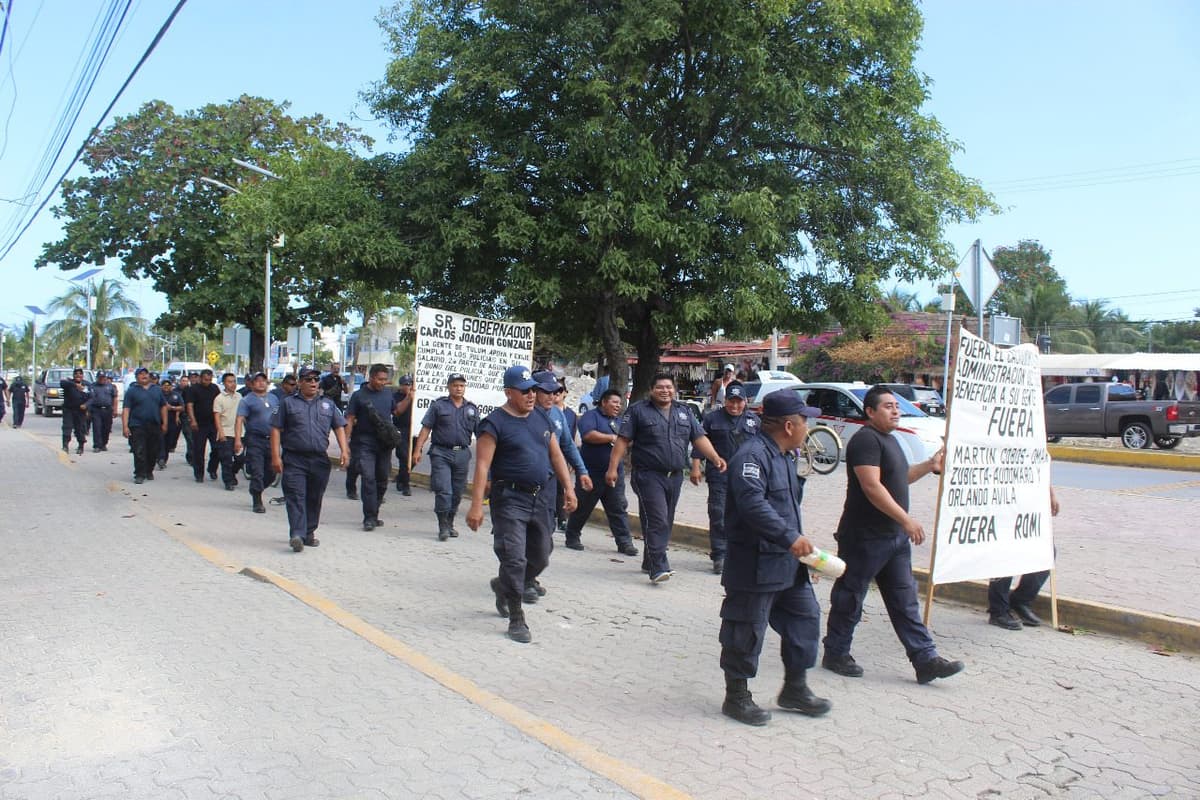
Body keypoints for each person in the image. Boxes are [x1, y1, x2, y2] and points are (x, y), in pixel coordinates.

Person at [822, 385, 964, 684]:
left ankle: (925, 659)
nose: (895, 410)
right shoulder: (865, 441)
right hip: (864, 537)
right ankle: (835, 652)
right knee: (850, 596)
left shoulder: (891, 439)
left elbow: (899, 478)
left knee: (905, 600)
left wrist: (928, 466)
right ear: (870, 411)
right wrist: (907, 520)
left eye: (896, 406)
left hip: (894, 539)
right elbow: (872, 487)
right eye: (887, 406)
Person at [719, 392, 830, 726]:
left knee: (805, 621)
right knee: (745, 630)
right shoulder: (751, 456)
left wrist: (801, 552)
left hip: (788, 565)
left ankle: (795, 689)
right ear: (788, 424)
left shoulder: (785, 455)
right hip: (754, 564)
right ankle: (736, 696)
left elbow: (787, 507)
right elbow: (753, 505)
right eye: (804, 421)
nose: (807, 428)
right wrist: (791, 538)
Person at [466, 365, 577, 644]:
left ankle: (504, 586)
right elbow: (482, 465)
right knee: (514, 558)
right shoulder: (494, 423)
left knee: (541, 555)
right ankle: (517, 618)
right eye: (525, 391)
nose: (531, 395)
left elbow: (555, 454)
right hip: (509, 499)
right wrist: (476, 505)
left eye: (533, 390)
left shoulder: (541, 416)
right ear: (508, 392)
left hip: (540, 498)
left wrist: (569, 488)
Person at [606, 373, 726, 583]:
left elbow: (698, 438)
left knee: (663, 520)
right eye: (660, 387)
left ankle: (648, 559)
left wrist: (715, 458)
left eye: (669, 387)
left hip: (675, 477)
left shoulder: (684, 412)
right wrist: (613, 468)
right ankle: (658, 567)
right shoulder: (638, 411)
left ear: (674, 389)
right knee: (658, 519)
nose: (665, 391)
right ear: (652, 389)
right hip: (647, 475)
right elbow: (623, 441)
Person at [271, 367, 349, 553]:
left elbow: (339, 427)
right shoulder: (287, 404)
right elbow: (275, 429)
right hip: (294, 458)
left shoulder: (328, 404)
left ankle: (309, 532)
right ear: (300, 383)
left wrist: (344, 450)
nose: (313, 383)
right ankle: (297, 534)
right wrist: (275, 456)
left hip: (319, 459)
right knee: (296, 496)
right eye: (308, 379)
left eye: (315, 379)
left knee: (314, 498)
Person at [530, 371, 591, 601]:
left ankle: (528, 575)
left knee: (545, 537)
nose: (552, 396)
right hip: (521, 484)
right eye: (546, 391)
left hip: (548, 483)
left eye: (555, 392)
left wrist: (581, 473)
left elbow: (568, 445)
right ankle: (520, 580)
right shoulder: (522, 413)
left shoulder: (557, 414)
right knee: (521, 536)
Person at [691, 381, 760, 575]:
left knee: (746, 515)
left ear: (745, 402)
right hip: (719, 475)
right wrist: (696, 467)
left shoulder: (754, 421)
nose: (735, 406)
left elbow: (762, 447)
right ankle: (720, 555)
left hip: (747, 477)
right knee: (718, 514)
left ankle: (741, 555)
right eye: (731, 401)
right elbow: (699, 443)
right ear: (725, 400)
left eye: (739, 402)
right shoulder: (712, 419)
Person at [563, 388, 638, 556]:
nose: (618, 406)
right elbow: (588, 435)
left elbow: (627, 440)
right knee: (582, 507)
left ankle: (625, 542)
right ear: (604, 402)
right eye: (614, 402)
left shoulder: (620, 421)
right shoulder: (591, 416)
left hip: (614, 473)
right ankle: (572, 536)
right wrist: (612, 438)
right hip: (591, 473)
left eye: (620, 403)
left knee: (618, 508)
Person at [413, 372, 478, 540]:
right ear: (449, 387)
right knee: (444, 490)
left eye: (461, 385)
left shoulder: (471, 408)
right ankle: (442, 525)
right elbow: (426, 428)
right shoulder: (438, 406)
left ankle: (450, 521)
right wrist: (417, 450)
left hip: (462, 453)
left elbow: (482, 434)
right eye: (455, 385)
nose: (458, 388)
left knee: (457, 492)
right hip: (441, 453)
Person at [988, 487, 1061, 629]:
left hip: (1028, 502)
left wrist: (1050, 493)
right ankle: (998, 610)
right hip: (1003, 499)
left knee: (1047, 551)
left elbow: (1040, 466)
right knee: (1005, 552)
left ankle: (1020, 600)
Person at [345, 364, 399, 531]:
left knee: (382, 479)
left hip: (384, 444)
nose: (382, 382)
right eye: (379, 379)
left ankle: (374, 513)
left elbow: (396, 412)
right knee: (368, 478)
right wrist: (345, 443)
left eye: (385, 379)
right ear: (371, 377)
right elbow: (349, 418)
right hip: (364, 442)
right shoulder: (358, 396)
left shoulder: (388, 394)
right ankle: (368, 517)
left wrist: (410, 398)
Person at [235, 372, 277, 514]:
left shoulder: (274, 399)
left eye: (263, 381)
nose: (261, 383)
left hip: (272, 440)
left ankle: (256, 489)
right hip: (255, 439)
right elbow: (240, 419)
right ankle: (257, 500)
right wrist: (237, 439)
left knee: (271, 472)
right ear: (252, 384)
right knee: (257, 471)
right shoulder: (247, 400)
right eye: (257, 381)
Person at [120, 367, 167, 485]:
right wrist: (125, 426)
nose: (144, 376)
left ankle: (149, 470)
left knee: (153, 450)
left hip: (154, 425)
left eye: (146, 374)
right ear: (137, 377)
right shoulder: (132, 391)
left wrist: (165, 423)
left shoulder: (157, 390)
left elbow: (163, 406)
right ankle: (139, 474)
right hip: (137, 425)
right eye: (141, 374)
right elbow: (126, 409)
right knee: (139, 450)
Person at [186, 369, 221, 483]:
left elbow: (219, 404)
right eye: (206, 379)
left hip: (213, 423)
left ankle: (212, 469)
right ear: (201, 378)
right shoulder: (193, 389)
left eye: (210, 379)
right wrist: (193, 420)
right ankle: (199, 473)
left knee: (217, 448)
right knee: (199, 450)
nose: (208, 381)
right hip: (199, 424)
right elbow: (190, 405)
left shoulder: (214, 388)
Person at [213, 372, 243, 490]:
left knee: (240, 459)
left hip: (239, 432)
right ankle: (228, 481)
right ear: (224, 383)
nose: (232, 384)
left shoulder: (239, 396)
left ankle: (232, 473)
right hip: (225, 432)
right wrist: (220, 433)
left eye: (234, 381)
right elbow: (217, 416)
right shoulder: (219, 399)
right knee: (226, 459)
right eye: (230, 382)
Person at [392, 374, 415, 496]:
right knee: (404, 457)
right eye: (406, 384)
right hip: (401, 429)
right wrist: (408, 398)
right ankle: (405, 485)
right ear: (400, 386)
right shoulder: (395, 396)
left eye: (410, 384)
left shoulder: (417, 396)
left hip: (414, 430)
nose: (408, 386)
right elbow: (398, 411)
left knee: (414, 457)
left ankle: (401, 476)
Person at [60, 368, 91, 454]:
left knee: (80, 429)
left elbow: (92, 397)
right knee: (67, 427)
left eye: (80, 374)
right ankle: (65, 446)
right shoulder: (68, 383)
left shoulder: (87, 385)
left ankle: (81, 446)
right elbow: (62, 383)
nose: (78, 375)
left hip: (80, 411)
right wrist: (75, 385)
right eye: (76, 374)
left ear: (82, 375)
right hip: (69, 409)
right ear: (73, 375)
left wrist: (86, 405)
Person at [86, 372, 119, 452]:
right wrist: (87, 410)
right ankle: (97, 445)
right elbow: (88, 398)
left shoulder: (111, 386)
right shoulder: (92, 386)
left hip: (107, 410)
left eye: (103, 377)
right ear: (97, 378)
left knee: (106, 428)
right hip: (96, 410)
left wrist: (115, 409)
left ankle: (103, 444)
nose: (102, 379)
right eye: (100, 377)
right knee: (97, 427)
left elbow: (115, 398)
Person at [159, 378, 185, 469]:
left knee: (168, 442)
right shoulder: (158, 395)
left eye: (168, 385)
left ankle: (164, 459)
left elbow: (182, 407)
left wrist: (172, 408)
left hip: (172, 421)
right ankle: (160, 458)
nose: (166, 387)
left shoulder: (176, 395)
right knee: (160, 441)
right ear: (161, 386)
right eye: (164, 385)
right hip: (159, 421)